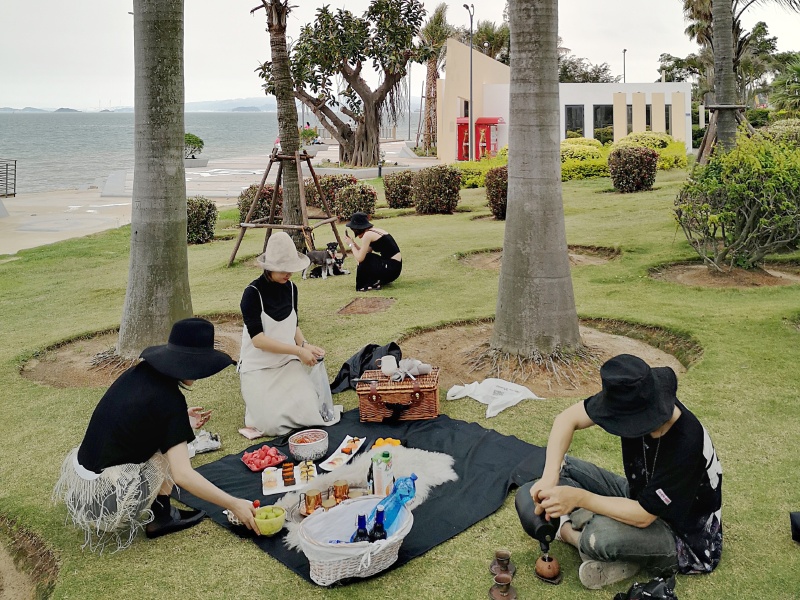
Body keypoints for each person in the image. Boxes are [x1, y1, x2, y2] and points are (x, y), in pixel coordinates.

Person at [516, 354, 722, 590]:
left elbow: (644, 516)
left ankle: (575, 533)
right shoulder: (633, 396)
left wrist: (581, 499)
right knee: (562, 466)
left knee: (600, 537)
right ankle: (599, 532)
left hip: (681, 536)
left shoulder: (686, 441)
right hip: (638, 493)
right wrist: (549, 477)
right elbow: (566, 419)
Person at [53, 318, 259, 551]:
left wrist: (181, 420)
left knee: (166, 440)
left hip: (86, 484)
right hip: (107, 502)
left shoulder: (140, 373)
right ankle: (161, 519)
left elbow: (142, 418)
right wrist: (234, 504)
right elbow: (183, 475)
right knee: (168, 452)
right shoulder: (169, 400)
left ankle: (161, 514)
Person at [238, 231, 339, 435]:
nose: (288, 274)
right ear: (269, 267)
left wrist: (305, 345)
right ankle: (256, 407)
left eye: (291, 268)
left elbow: (292, 324)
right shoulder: (252, 294)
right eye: (283, 269)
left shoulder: (292, 289)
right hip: (258, 367)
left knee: (310, 412)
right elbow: (258, 341)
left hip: (286, 362)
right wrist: (297, 351)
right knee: (272, 425)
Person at [343, 212, 402, 292]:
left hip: (392, 268)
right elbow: (365, 252)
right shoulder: (373, 232)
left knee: (367, 258)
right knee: (367, 257)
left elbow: (360, 258)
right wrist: (353, 244)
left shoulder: (368, 235)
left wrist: (351, 245)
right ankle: (374, 281)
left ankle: (367, 284)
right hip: (393, 267)